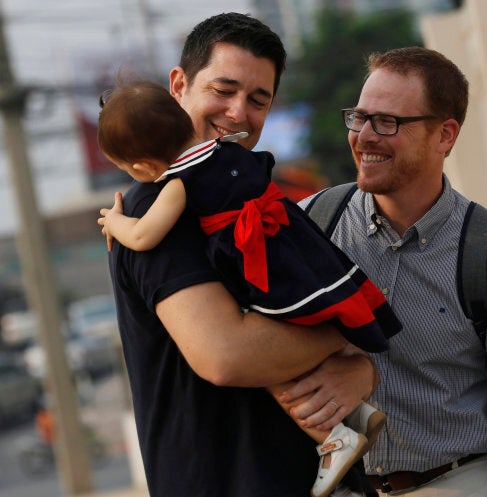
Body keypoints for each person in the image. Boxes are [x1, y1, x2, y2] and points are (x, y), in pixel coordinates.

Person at [99, 12, 378, 497]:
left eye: (257, 100)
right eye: (223, 90)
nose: (236, 113)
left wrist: (360, 369)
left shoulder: (240, 195)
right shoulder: (156, 207)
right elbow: (226, 356)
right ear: (179, 84)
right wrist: (348, 334)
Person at [288, 47, 487, 496]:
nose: (364, 136)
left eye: (387, 122)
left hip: (462, 480)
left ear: (445, 135)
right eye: (359, 117)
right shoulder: (310, 226)